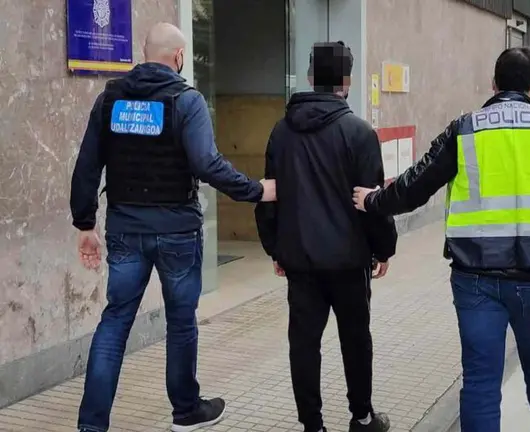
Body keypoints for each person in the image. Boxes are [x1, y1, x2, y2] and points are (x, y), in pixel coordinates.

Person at [352, 47, 530, 432]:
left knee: (480, 382)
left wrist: (373, 200)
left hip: (476, 280)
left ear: (493, 84)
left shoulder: (466, 129)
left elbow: (415, 185)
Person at [70, 22, 276, 432]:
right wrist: (257, 190)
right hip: (178, 232)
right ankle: (185, 411)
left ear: (145, 54)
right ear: (179, 57)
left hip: (125, 231)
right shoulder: (186, 99)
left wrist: (85, 223)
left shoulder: (110, 99)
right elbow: (207, 164)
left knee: (114, 322)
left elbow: (87, 164)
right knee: (181, 321)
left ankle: (91, 426)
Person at [255, 41, 396, 432]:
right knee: (355, 339)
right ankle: (362, 417)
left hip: (300, 259)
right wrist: (384, 248)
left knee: (303, 344)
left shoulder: (281, 132)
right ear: (346, 81)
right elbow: (373, 200)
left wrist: (275, 249)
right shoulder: (359, 132)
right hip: (350, 262)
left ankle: (312, 425)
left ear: (311, 77)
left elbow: (269, 196)